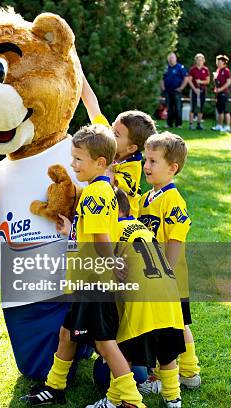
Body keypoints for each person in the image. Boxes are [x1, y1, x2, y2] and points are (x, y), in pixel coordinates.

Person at [22, 125, 145, 408]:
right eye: (72, 157)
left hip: (94, 281)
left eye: (78, 159)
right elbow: (92, 231)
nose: (73, 164)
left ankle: (132, 400)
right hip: (86, 281)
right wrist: (71, 230)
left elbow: (102, 236)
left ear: (100, 162)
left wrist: (111, 261)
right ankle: (55, 386)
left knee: (103, 343)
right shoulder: (99, 190)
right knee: (67, 334)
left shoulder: (95, 194)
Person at [138, 132, 201, 392]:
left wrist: (167, 273)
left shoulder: (173, 199)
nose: (146, 166)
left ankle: (188, 372)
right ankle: (167, 373)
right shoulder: (146, 198)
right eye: (145, 160)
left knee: (178, 326)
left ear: (172, 168)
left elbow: (176, 238)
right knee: (159, 326)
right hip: (152, 278)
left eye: (153, 161)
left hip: (171, 280)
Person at [113, 188, 185, 408]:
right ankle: (173, 397)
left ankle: (114, 398)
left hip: (142, 301)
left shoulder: (114, 229)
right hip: (170, 296)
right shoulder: (142, 228)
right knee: (167, 353)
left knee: (122, 352)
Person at [110, 110, 157, 217]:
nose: (108, 134)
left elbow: (110, 179)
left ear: (131, 148)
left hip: (124, 221)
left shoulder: (133, 167)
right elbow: (95, 112)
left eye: (115, 134)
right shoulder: (113, 143)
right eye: (111, 129)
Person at [160, 52, 187, 129]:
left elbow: (186, 78)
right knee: (169, 108)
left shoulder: (180, 67)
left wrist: (181, 88)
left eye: (172, 58)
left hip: (177, 91)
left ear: (175, 58)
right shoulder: (165, 68)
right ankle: (169, 124)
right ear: (168, 59)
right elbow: (161, 78)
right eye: (170, 58)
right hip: (168, 91)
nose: (171, 59)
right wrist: (163, 87)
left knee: (178, 108)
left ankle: (179, 124)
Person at [186, 53, 210, 130]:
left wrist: (200, 81)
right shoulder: (192, 69)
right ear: (196, 61)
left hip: (203, 91)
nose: (199, 61)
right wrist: (194, 89)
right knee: (193, 108)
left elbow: (207, 81)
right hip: (194, 91)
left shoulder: (205, 69)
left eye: (201, 60)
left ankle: (199, 124)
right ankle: (191, 124)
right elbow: (189, 80)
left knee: (201, 108)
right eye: (198, 60)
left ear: (204, 60)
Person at [212, 55, 231, 132]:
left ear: (223, 62)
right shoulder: (218, 70)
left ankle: (227, 127)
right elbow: (216, 82)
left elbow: (228, 82)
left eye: (219, 62)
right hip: (218, 93)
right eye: (217, 62)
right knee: (220, 110)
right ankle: (219, 126)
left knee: (225, 110)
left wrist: (220, 89)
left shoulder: (226, 70)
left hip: (224, 93)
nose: (217, 63)